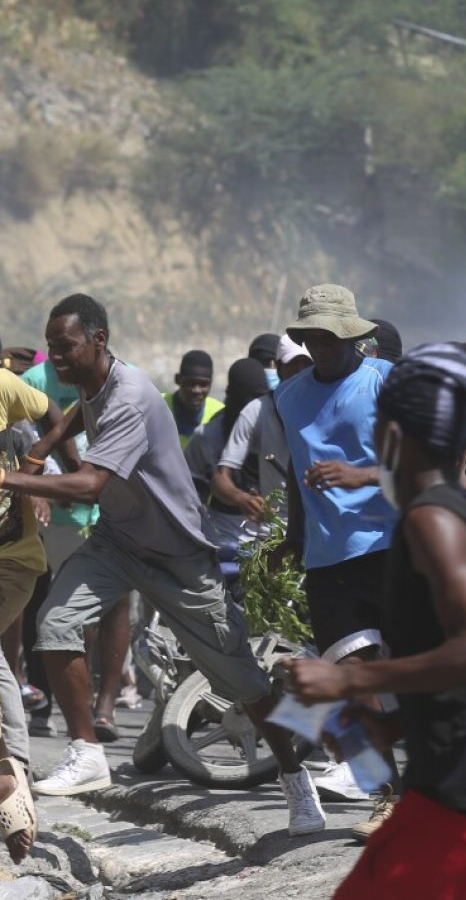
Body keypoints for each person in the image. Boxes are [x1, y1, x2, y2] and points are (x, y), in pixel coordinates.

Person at [4, 295, 324, 837]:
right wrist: (45, 446)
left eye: (65, 346)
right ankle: (87, 751)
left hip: (178, 556)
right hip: (116, 541)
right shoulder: (95, 378)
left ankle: (296, 780)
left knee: (241, 678)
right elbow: (83, 409)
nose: (56, 356)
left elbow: (88, 484)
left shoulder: (130, 394)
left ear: (97, 340)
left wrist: (10, 477)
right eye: (52, 346)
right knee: (54, 623)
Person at [286, 343, 466, 900]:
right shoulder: (465, 513)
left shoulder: (431, 522)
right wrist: (390, 726)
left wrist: (349, 680)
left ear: (392, 430)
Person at [271, 285, 399, 825]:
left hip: (396, 548)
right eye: (311, 336)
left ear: (352, 335)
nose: (321, 345)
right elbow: (301, 481)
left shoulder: (384, 383)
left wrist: (363, 475)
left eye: (330, 335)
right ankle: (386, 794)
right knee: (348, 681)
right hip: (328, 560)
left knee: (416, 677)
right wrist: (294, 540)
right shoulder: (289, 397)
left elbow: (429, 460)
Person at [0, 358, 77, 863]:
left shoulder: (4, 387)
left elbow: (56, 410)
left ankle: (11, 772)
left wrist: (53, 469)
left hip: (12, 560)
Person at [212, 334, 312, 522]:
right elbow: (221, 477)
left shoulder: (327, 407)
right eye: (294, 364)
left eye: (306, 364)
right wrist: (240, 498)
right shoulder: (257, 411)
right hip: (275, 527)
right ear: (279, 368)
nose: (301, 371)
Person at [184, 357, 268, 550]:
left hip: (270, 540)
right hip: (221, 542)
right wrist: (240, 499)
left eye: (259, 398)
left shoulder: (275, 429)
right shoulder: (207, 437)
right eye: (247, 399)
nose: (253, 408)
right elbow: (192, 495)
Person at [163, 350, 223, 449]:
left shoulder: (219, 413)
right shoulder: (157, 405)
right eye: (190, 383)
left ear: (211, 384)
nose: (196, 390)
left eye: (203, 385)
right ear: (178, 380)